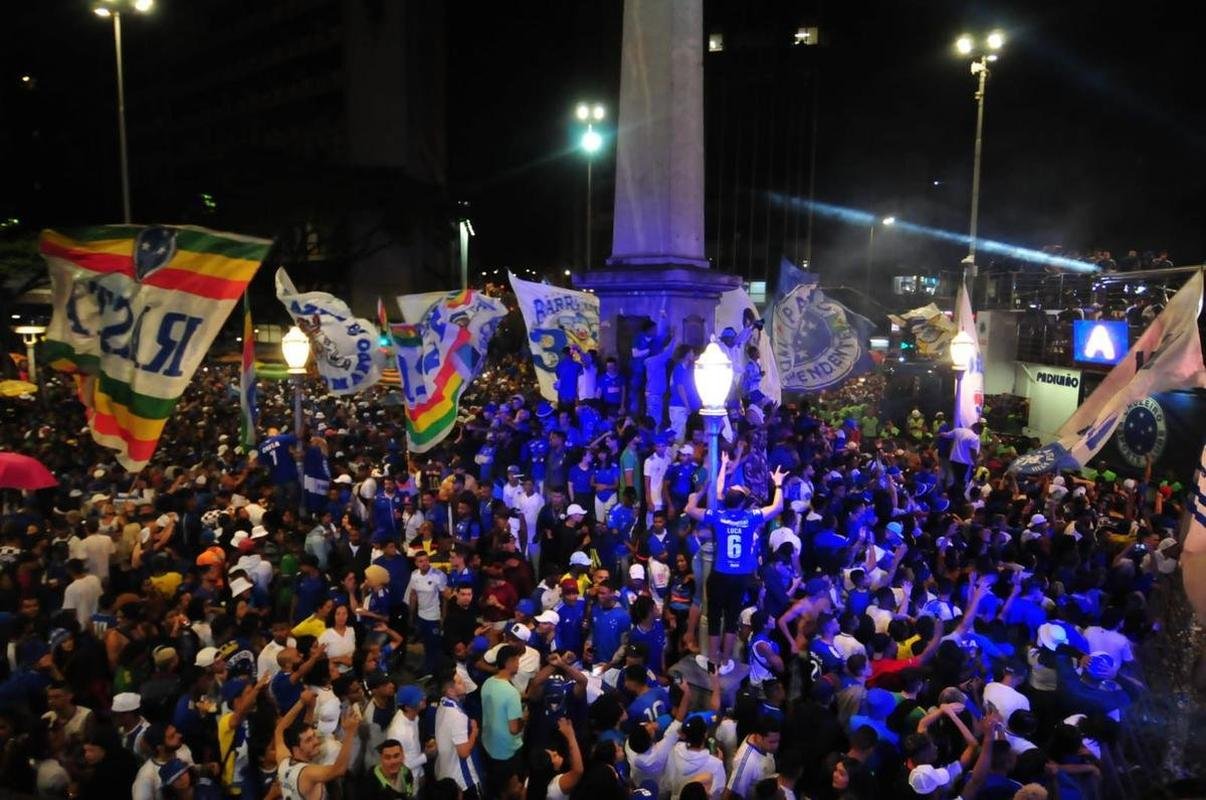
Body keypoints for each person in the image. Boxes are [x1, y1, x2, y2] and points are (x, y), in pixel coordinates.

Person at [685, 452, 786, 670]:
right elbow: (778, 507)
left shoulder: (718, 515)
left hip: (720, 573)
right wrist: (777, 485)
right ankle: (725, 660)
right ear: (742, 503)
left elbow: (690, 508)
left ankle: (712, 660)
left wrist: (704, 487)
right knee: (731, 618)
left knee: (714, 617)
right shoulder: (750, 517)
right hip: (740, 576)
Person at [274, 689, 359, 800]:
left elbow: (279, 730)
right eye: (309, 740)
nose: (316, 741)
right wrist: (350, 732)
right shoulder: (307, 773)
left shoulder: (283, 762)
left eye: (314, 736)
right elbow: (339, 770)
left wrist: (303, 702)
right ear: (296, 748)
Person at [481, 645, 525, 798]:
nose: (519, 664)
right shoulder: (511, 693)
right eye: (517, 660)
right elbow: (514, 729)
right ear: (509, 662)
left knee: (495, 785)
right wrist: (524, 718)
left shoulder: (487, 683)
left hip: (489, 745)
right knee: (509, 789)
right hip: (506, 751)